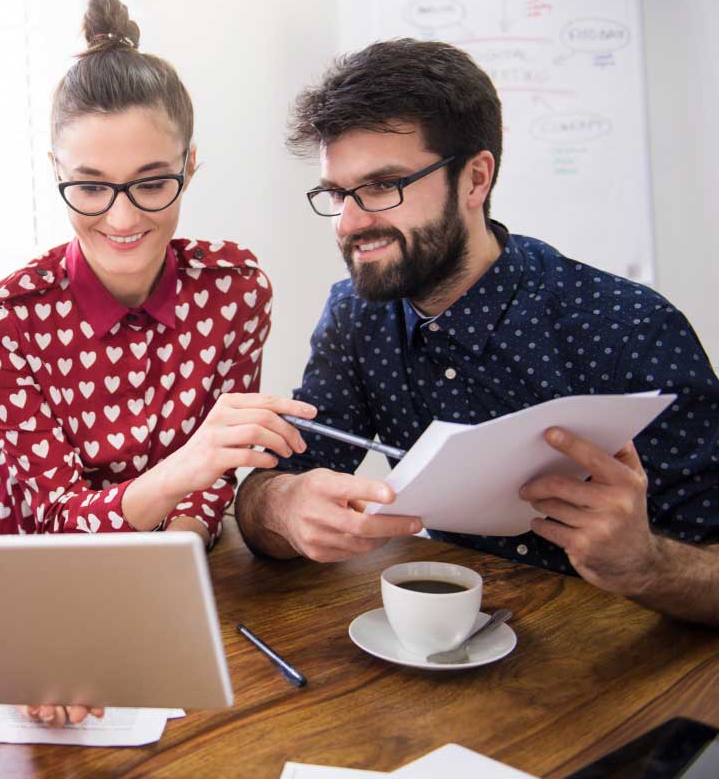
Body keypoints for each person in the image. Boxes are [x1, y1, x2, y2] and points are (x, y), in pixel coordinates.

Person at [234, 39, 719, 625]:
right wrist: (284, 507)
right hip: (444, 647)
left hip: (617, 667)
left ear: (475, 179)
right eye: (337, 194)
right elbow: (269, 488)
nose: (351, 222)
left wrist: (646, 563)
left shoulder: (628, 329)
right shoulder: (358, 315)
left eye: (384, 186)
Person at [0, 0, 313, 553]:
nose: (122, 219)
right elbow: (58, 516)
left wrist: (177, 561)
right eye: (90, 186)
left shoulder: (235, 289)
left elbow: (213, 482)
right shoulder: (9, 318)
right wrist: (189, 467)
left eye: (153, 183)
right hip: (34, 577)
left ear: (190, 164)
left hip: (175, 557)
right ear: (56, 170)